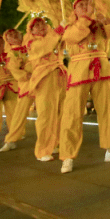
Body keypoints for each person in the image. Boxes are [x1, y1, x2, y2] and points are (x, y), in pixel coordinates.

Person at [58, 0, 110, 173]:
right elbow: (74, 37)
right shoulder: (70, 25)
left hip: (101, 68)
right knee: (72, 113)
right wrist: (87, 18)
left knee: (107, 110)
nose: (85, 7)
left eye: (87, 4)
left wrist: (106, 21)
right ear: (75, 11)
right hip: (79, 69)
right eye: (81, 5)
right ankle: (67, 155)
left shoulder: (100, 22)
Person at [24, 17, 67, 161]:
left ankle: (55, 143)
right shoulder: (31, 43)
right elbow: (45, 46)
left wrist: (65, 31)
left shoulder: (52, 36)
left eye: (42, 24)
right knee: (46, 114)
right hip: (44, 77)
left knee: (61, 112)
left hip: (59, 74)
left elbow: (62, 45)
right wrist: (59, 30)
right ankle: (42, 150)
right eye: (36, 25)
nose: (40, 26)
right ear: (31, 30)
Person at [0, 29, 33, 153]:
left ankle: (53, 143)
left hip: (42, 81)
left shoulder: (31, 44)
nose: (14, 37)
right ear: (7, 40)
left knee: (48, 113)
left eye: (16, 34)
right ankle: (11, 140)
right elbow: (14, 69)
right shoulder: (12, 53)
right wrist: (26, 75)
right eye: (10, 36)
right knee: (19, 114)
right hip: (27, 84)